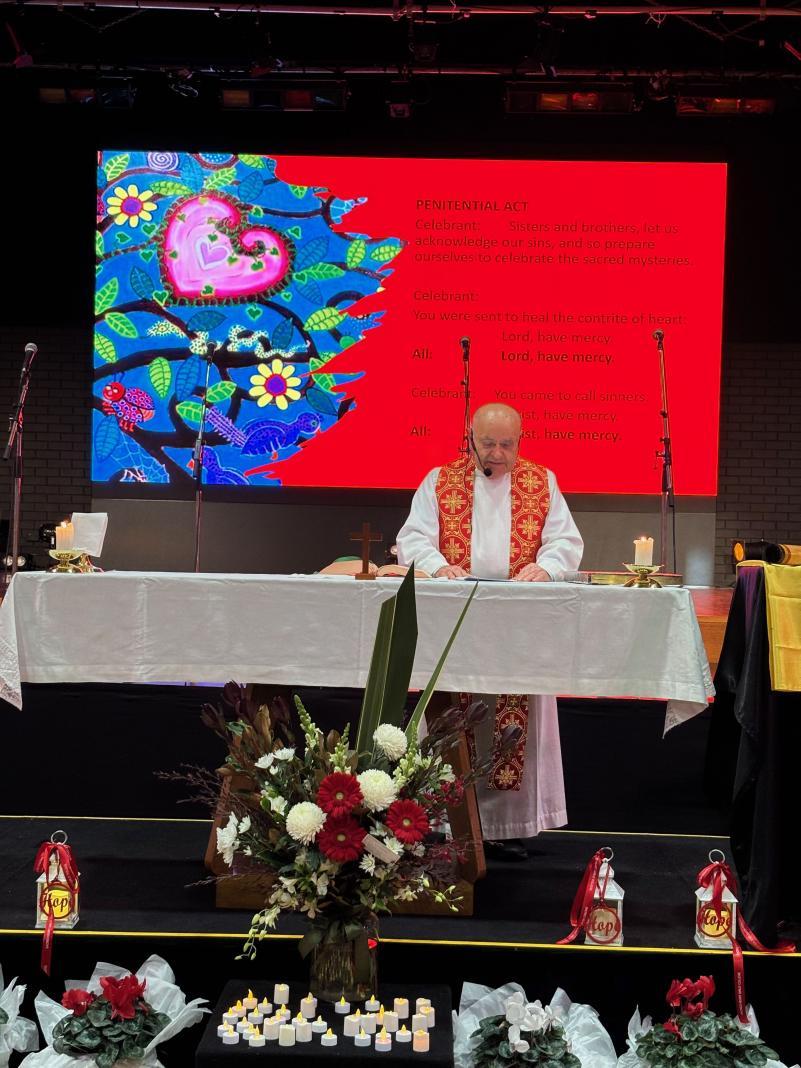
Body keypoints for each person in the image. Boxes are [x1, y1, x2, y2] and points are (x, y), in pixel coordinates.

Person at [395, 403, 583, 860]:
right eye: (488, 443)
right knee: (454, 717)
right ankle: (445, 822)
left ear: (520, 441)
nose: (497, 453)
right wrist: (439, 566)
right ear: (470, 437)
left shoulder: (541, 481)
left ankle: (507, 826)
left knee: (513, 724)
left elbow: (564, 540)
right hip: (457, 621)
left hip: (519, 626)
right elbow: (413, 538)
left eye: (506, 444)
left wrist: (546, 567)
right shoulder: (440, 480)